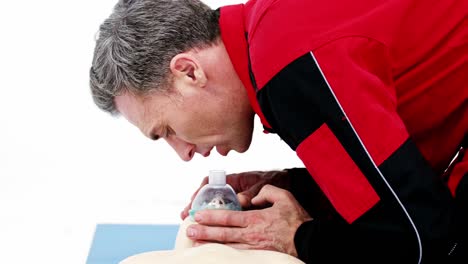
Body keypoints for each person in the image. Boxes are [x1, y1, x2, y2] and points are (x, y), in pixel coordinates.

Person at [89, 0, 467, 263]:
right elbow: (406, 180)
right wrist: (299, 187)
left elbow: (421, 239)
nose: (184, 152)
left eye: (167, 130)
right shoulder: (274, 26)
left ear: (190, 72)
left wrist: (299, 240)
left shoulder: (290, 68)